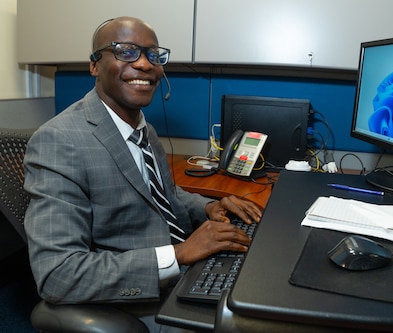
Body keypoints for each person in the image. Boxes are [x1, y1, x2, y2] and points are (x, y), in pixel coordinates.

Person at [23, 16, 262, 332]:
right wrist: (178, 255)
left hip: (187, 270)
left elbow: (162, 195)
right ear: (94, 65)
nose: (146, 65)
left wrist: (208, 208)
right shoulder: (59, 141)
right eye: (126, 52)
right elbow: (59, 274)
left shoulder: (143, 129)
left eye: (153, 55)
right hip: (140, 297)